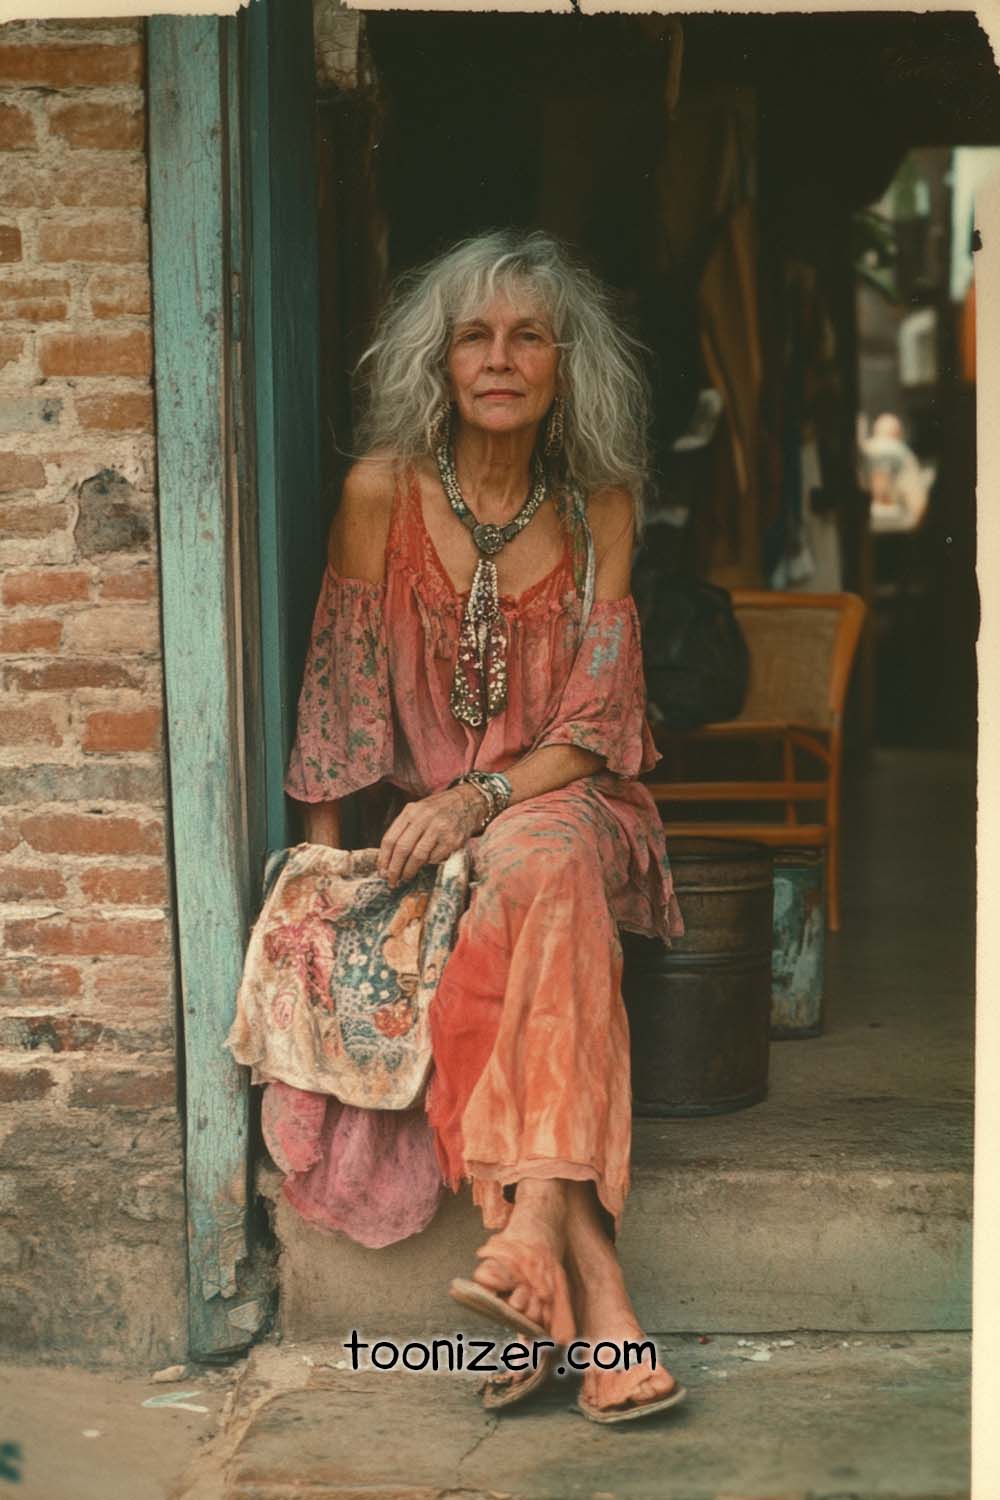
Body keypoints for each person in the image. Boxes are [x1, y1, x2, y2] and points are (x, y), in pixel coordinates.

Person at [278, 229, 686, 1422]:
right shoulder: (379, 494)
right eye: (473, 335)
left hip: (569, 801)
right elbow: (340, 698)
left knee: (539, 855)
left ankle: (531, 1237)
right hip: (440, 836)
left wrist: (480, 795)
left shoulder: (602, 503)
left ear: (569, 365)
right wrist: (327, 867)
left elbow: (600, 724)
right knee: (518, 890)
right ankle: (584, 1285)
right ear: (438, 363)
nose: (498, 357)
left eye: (527, 336)